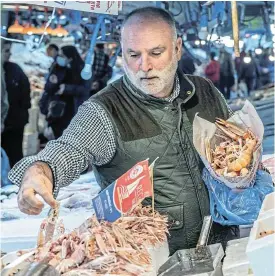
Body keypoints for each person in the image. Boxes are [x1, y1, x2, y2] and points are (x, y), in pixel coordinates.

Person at [9, 7, 238, 255]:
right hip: (156, 260)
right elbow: (69, 148)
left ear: (177, 48)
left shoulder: (205, 91)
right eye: (133, 55)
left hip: (225, 245)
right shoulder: (104, 110)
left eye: (156, 53)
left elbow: (234, 145)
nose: (144, 66)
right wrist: (41, 169)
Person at [39, 45, 91, 139]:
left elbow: (85, 90)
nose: (59, 58)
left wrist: (67, 88)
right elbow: (47, 88)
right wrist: (52, 83)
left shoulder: (82, 70)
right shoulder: (57, 67)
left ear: (70, 58)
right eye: (59, 55)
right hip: (57, 110)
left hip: (74, 109)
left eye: (62, 56)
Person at [1, 42, 31, 168]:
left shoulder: (14, 69)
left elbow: (25, 94)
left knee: (14, 153)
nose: (9, 54)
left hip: (14, 122)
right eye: (6, 51)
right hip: (6, 121)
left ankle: (15, 181)